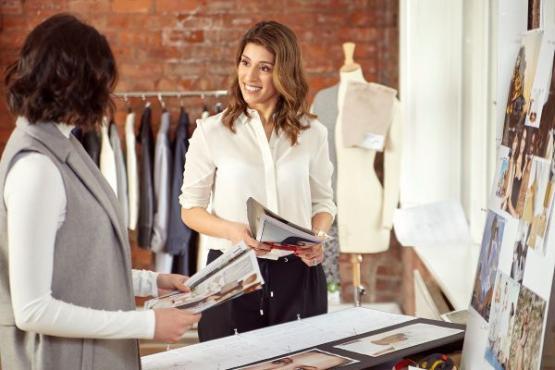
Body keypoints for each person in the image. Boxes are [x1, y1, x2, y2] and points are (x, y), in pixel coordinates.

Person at [0, 14, 200, 370]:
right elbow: (32, 310)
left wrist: (153, 282)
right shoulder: (37, 168)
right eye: (101, 82)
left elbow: (79, 266)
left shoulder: (62, 146)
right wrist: (147, 323)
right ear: (76, 82)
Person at [180, 21, 336, 341]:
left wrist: (317, 236)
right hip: (231, 271)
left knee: (304, 360)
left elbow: (324, 203)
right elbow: (190, 209)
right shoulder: (211, 132)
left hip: (298, 273)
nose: (249, 77)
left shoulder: (313, 133)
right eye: (245, 63)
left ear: (284, 74)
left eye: (264, 68)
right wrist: (234, 231)